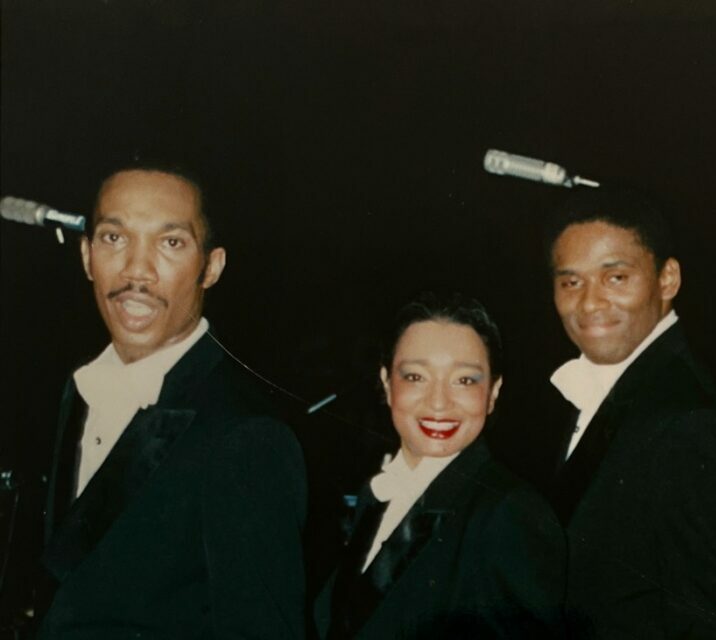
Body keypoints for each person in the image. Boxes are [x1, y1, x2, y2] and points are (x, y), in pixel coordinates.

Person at [35, 164, 308, 638]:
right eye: (114, 239)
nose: (136, 271)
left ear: (212, 266)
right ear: (86, 255)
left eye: (171, 243)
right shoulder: (76, 391)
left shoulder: (246, 435)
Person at [543, 189, 716, 639]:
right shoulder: (611, 389)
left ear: (668, 279)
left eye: (615, 278)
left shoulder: (690, 423)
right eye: (571, 282)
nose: (589, 303)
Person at [320, 292, 566, 639]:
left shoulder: (510, 514)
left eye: (464, 380)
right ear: (387, 384)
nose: (438, 402)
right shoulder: (376, 495)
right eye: (416, 377)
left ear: (493, 392)